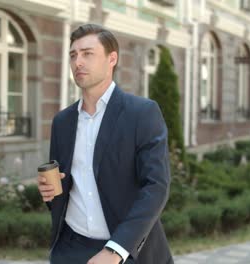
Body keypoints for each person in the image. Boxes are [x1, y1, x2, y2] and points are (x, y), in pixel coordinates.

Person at [37, 24, 173, 264]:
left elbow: (156, 187)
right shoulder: (62, 121)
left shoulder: (141, 113)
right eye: (73, 55)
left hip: (125, 251)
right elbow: (65, 185)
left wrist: (116, 250)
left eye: (87, 53)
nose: (78, 62)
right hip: (70, 249)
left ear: (112, 59)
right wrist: (50, 192)